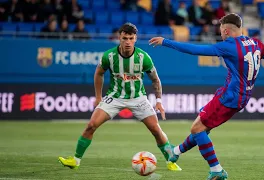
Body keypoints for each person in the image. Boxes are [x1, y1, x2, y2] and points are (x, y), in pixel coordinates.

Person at [149, 13, 264, 180]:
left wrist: (166, 42)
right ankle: (175, 152)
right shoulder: (255, 43)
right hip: (243, 97)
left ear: (227, 31)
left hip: (230, 96)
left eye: (221, 31)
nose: (221, 34)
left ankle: (216, 169)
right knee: (204, 128)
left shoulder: (228, 45)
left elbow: (195, 50)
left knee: (197, 129)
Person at [58, 23, 181, 171]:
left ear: (135, 38)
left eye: (131, 38)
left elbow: (155, 80)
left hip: (138, 98)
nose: (128, 41)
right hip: (114, 97)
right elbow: (99, 73)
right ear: (119, 38)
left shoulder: (143, 58)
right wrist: (98, 97)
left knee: (156, 129)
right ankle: (75, 160)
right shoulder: (109, 56)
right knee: (91, 125)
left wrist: (159, 101)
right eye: (124, 38)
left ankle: (170, 161)